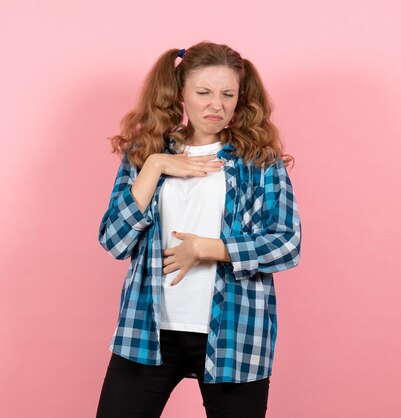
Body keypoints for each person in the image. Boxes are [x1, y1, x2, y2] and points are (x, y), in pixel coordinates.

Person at [95, 41, 302, 418]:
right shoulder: (146, 153)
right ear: (181, 94)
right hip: (147, 330)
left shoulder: (260, 162)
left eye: (228, 94)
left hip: (235, 333)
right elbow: (114, 239)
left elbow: (287, 243)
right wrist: (156, 165)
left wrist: (211, 249)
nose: (216, 105)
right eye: (203, 92)